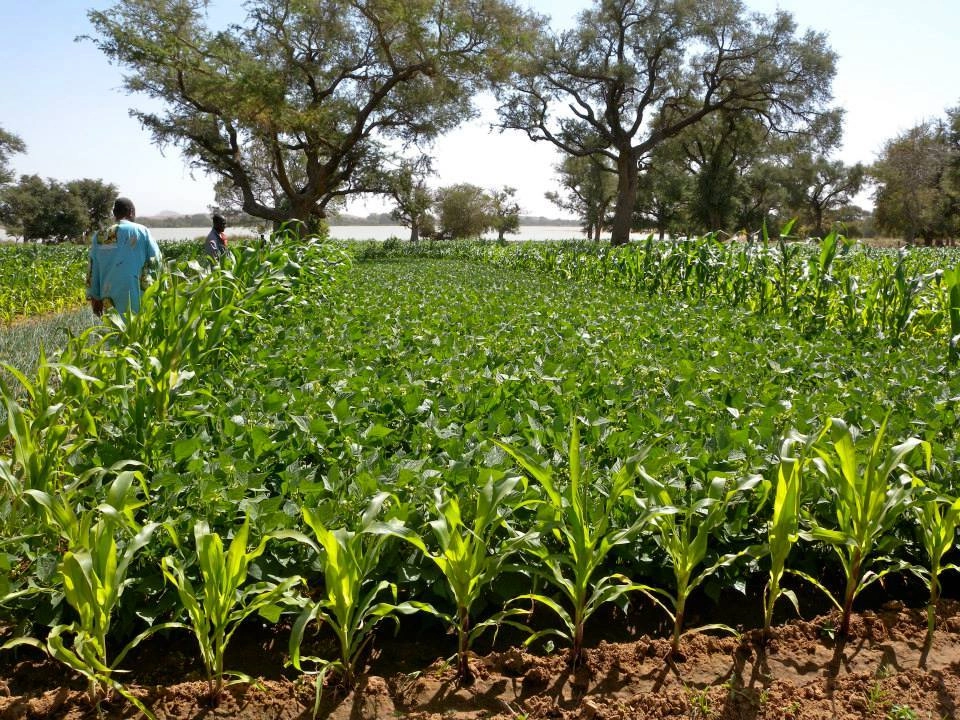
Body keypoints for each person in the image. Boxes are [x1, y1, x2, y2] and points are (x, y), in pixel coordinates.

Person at [86, 197, 161, 317]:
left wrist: (95, 298)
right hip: (139, 297)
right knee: (138, 332)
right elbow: (157, 262)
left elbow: (92, 270)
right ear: (131, 212)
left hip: (109, 300)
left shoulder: (100, 235)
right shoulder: (142, 231)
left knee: (116, 331)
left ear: (114, 213)